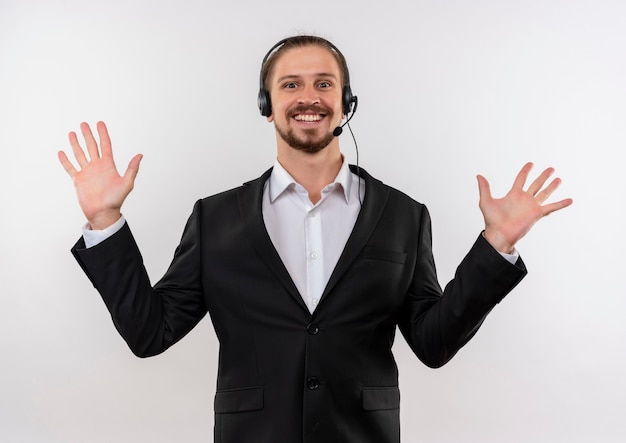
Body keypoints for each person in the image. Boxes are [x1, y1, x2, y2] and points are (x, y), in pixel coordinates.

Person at [58, 35, 572, 443]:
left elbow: (433, 343)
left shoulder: (403, 215)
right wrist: (105, 221)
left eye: (325, 84)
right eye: (291, 85)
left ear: (346, 103)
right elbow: (151, 333)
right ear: (267, 104)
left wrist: (496, 245)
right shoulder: (215, 218)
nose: (309, 98)